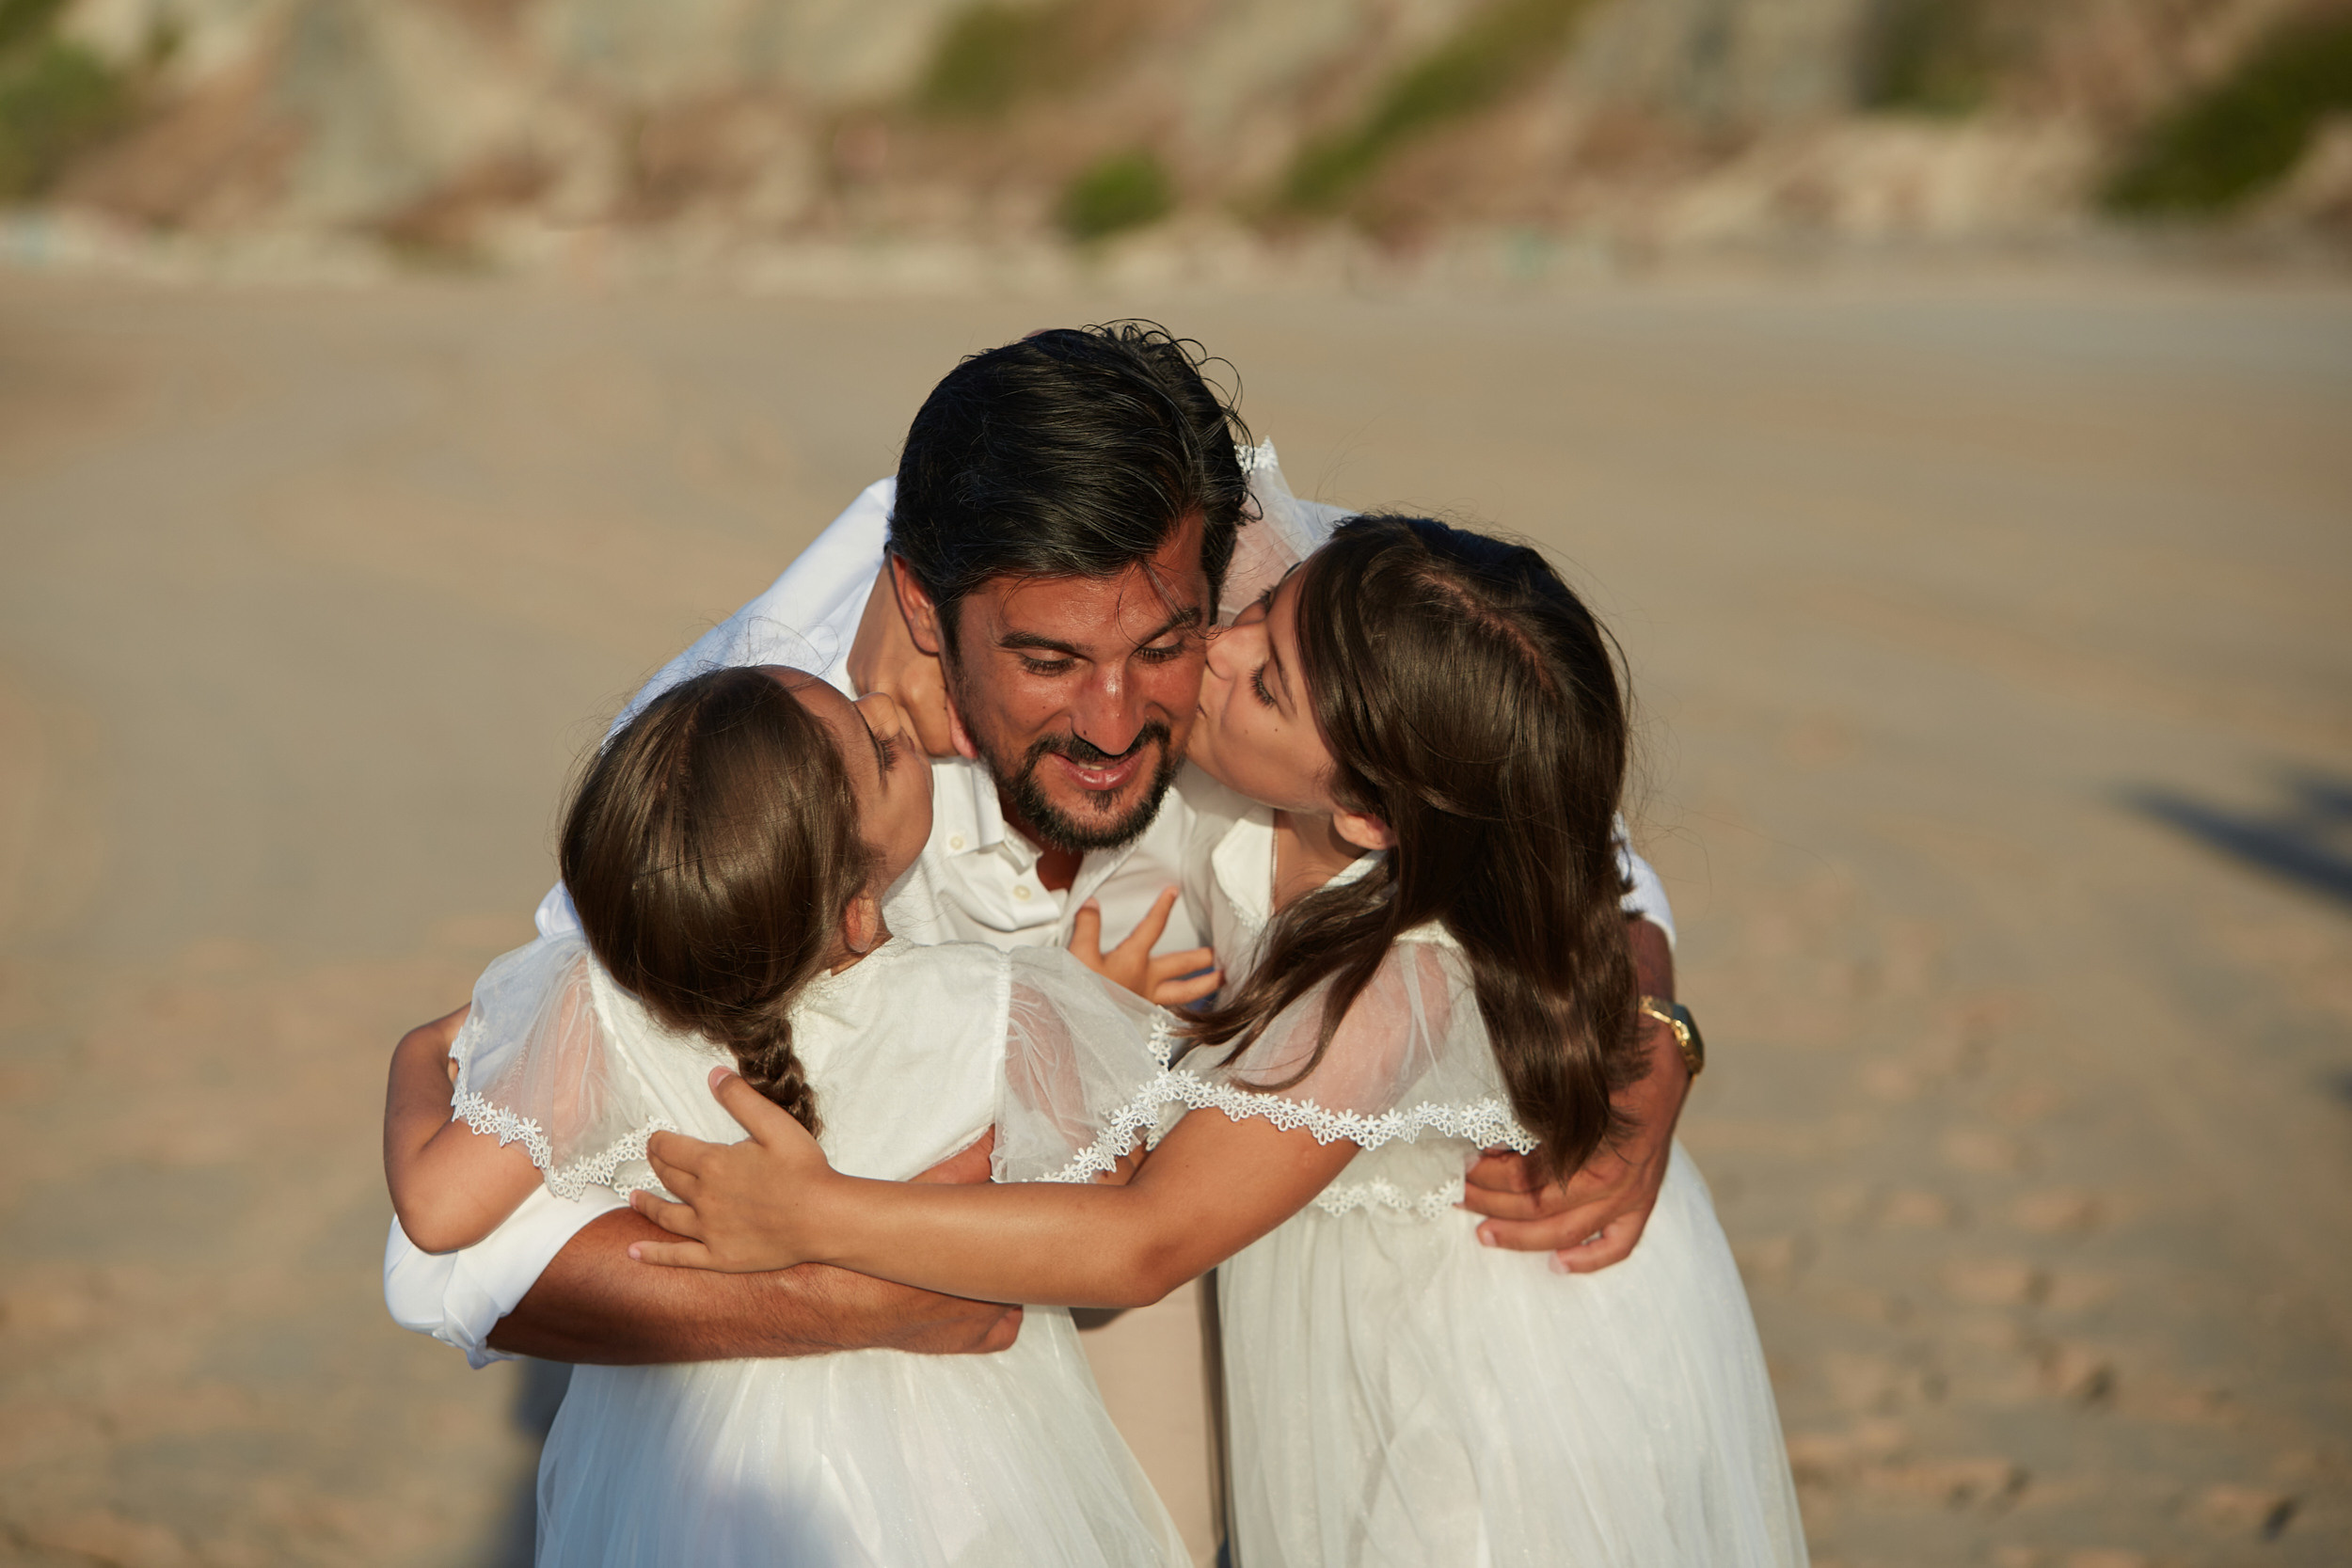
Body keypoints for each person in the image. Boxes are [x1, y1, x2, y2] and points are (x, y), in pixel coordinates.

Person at [383, 325, 1696, 1528]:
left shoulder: (1271, 591)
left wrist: (1649, 1033)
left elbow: (1554, 829)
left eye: (1169, 644)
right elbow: (472, 1248)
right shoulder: (739, 757)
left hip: (1266, 1224)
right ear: (920, 608)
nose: (1119, 722)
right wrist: (865, 1295)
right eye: (1050, 662)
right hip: (947, 1294)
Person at [628, 516, 1807, 1567]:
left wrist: (813, 1213)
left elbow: (1150, 1237)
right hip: (1351, 1323)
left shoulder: (1394, 985)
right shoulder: (1343, 787)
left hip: (1479, 1379)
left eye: (1269, 683)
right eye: (1254, 619)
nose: (1217, 654)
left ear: (1365, 812)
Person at [384, 664, 1188, 1565]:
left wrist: (417, 1050)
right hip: (961, 1498)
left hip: (679, 1500)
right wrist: (1089, 1018)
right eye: (882, 751)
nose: (891, 709)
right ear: (853, 910)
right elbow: (1105, 1206)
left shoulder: (592, 1006)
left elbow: (437, 1210)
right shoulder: (1008, 1013)